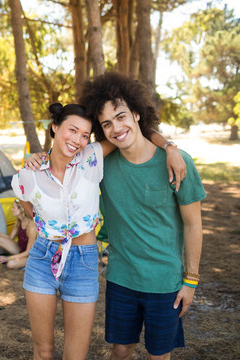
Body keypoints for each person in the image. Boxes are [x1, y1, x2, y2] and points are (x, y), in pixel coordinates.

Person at [18, 102, 186, 360]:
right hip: (42, 258)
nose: (78, 140)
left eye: (85, 134)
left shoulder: (92, 157)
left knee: (75, 355)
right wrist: (46, 224)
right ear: (54, 127)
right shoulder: (29, 173)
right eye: (72, 130)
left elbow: (136, 131)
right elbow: (26, 201)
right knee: (43, 350)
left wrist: (170, 147)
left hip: (83, 261)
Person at [77, 72, 206, 360]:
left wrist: (191, 281)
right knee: (120, 350)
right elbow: (67, 157)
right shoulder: (102, 166)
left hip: (165, 283)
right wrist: (38, 159)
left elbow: (193, 224)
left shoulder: (178, 162)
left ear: (136, 114)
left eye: (121, 116)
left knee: (159, 354)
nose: (116, 128)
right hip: (121, 278)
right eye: (107, 123)